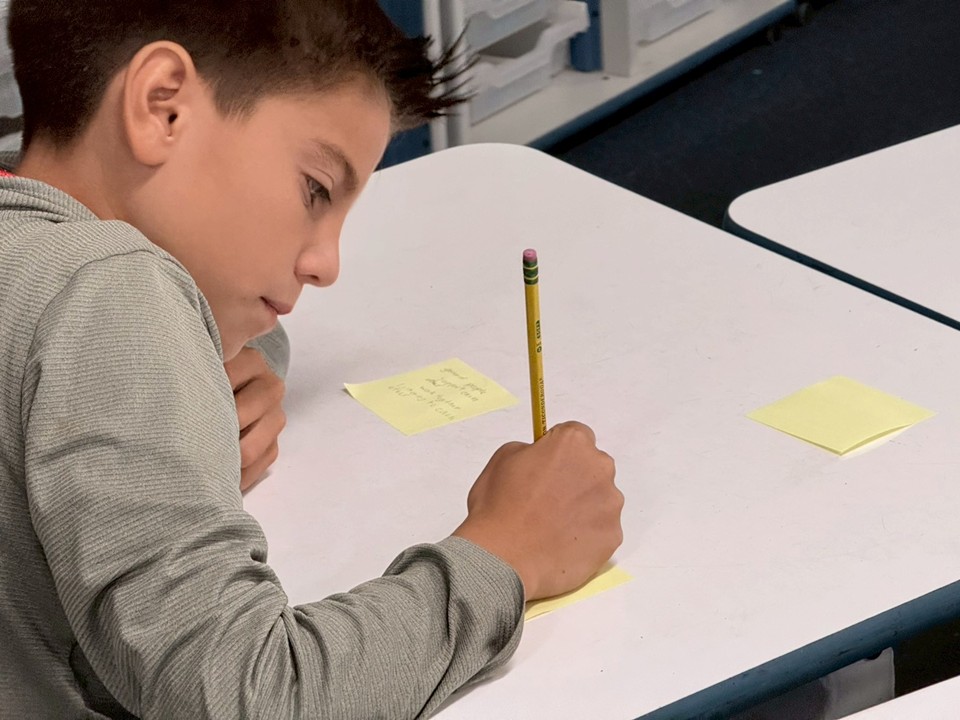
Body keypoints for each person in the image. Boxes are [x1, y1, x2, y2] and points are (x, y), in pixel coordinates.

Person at [0, 1, 624, 718]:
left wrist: (201, 364)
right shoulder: (110, 290)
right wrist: (508, 552)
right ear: (162, 106)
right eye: (316, 190)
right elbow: (252, 698)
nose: (326, 263)